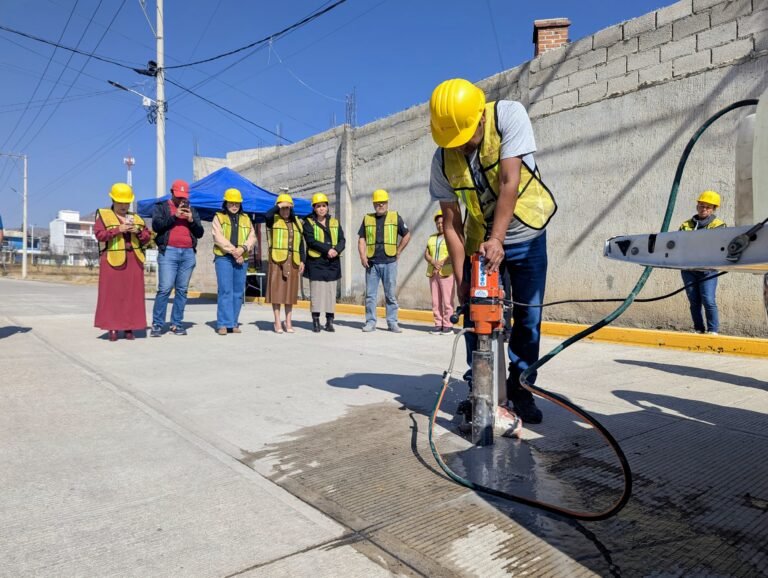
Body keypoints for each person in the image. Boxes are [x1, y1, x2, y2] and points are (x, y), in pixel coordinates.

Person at [428, 78, 557, 424]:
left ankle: (521, 388)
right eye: (452, 143)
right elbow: (452, 223)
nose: (461, 150)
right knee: (476, 317)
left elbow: (508, 181)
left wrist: (499, 239)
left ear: (480, 120)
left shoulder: (508, 116)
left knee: (528, 319)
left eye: (465, 141)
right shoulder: (442, 160)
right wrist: (461, 281)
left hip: (525, 234)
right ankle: (481, 389)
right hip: (478, 241)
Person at [93, 183, 152, 341]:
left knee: (132, 295)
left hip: (134, 261)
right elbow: (100, 235)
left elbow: (147, 237)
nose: (124, 206)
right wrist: (118, 230)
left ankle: (129, 327)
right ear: (113, 200)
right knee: (112, 295)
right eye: (121, 202)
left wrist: (138, 231)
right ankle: (112, 327)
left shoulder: (137, 218)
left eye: (127, 202)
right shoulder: (104, 216)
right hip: (112, 260)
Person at [150, 179, 204, 337]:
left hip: (187, 253)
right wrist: (175, 216)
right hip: (169, 252)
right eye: (178, 196)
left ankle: (177, 323)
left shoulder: (192, 210)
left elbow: (200, 233)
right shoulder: (161, 207)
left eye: (184, 197)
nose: (182, 200)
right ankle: (157, 324)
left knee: (182, 290)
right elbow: (156, 226)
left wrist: (191, 220)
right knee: (165, 288)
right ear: (172, 192)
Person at [357, 189, 411, 333]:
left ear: (387, 203)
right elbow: (361, 239)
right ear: (374, 204)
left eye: (383, 202)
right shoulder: (367, 219)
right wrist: (363, 256)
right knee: (370, 295)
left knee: (391, 295)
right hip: (372, 263)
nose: (380, 205)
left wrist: (398, 251)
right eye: (377, 202)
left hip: (390, 262)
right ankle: (370, 322)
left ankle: (392, 322)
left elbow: (406, 235)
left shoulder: (395, 217)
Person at [679, 190, 726, 335]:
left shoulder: (719, 225)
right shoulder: (686, 224)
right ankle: (698, 329)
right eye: (701, 205)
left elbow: (717, 246)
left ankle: (713, 330)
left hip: (708, 270)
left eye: (708, 207)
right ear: (697, 206)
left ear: (713, 209)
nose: (704, 209)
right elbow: (679, 244)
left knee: (709, 300)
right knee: (694, 301)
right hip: (688, 269)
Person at [212, 188, 256, 335]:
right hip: (224, 257)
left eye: (237, 203)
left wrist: (242, 249)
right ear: (226, 203)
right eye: (231, 202)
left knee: (238, 292)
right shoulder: (219, 217)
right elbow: (218, 237)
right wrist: (234, 250)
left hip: (241, 258)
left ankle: (233, 323)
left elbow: (252, 237)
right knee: (225, 290)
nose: (234, 205)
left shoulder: (246, 218)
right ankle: (223, 324)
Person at [303, 192, 346, 333]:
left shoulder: (335, 222)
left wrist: (336, 250)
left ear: (327, 207)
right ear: (314, 208)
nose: (321, 208)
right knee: (316, 293)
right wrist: (328, 249)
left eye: (324, 206)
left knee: (330, 293)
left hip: (332, 262)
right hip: (316, 262)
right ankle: (316, 321)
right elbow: (311, 241)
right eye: (318, 206)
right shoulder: (308, 223)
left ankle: (329, 321)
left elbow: (342, 240)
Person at [265, 193, 305, 333]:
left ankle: (288, 321)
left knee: (289, 293)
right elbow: (266, 216)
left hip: (292, 260)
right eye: (283, 208)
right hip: (277, 259)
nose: (285, 211)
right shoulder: (273, 220)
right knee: (277, 292)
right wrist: (278, 206)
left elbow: (301, 244)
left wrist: (302, 260)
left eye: (288, 208)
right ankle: (277, 322)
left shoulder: (297, 222)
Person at [424, 209, 455, 335]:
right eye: (438, 223)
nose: (440, 225)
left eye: (442, 222)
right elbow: (426, 253)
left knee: (447, 301)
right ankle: (438, 324)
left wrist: (441, 262)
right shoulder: (432, 238)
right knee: (436, 301)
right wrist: (433, 261)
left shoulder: (451, 237)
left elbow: (453, 253)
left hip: (446, 272)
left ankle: (448, 325)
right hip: (433, 272)